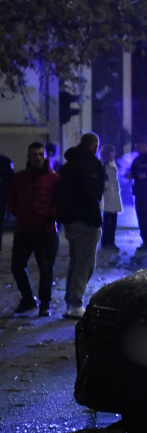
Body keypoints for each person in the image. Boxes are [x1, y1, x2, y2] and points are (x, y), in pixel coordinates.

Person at [55, 134, 106, 319]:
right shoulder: (91, 165)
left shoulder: (69, 165)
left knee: (76, 261)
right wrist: (94, 218)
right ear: (94, 146)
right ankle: (75, 303)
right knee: (85, 263)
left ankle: (71, 301)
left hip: (71, 219)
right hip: (86, 220)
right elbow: (92, 194)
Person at [7, 142, 60, 317]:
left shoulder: (54, 179)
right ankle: (28, 298)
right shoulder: (20, 178)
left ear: (45, 156)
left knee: (46, 269)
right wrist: (20, 213)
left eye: (40, 154)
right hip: (24, 229)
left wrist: (49, 214)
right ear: (28, 157)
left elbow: (60, 203)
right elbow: (12, 199)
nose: (37, 157)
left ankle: (45, 303)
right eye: (34, 154)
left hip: (46, 231)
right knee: (17, 266)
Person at [100, 145, 122, 249]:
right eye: (111, 152)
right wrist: (108, 186)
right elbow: (102, 182)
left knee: (112, 221)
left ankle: (110, 242)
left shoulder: (114, 164)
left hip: (113, 197)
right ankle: (107, 242)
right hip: (108, 197)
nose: (112, 154)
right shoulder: (103, 166)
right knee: (108, 221)